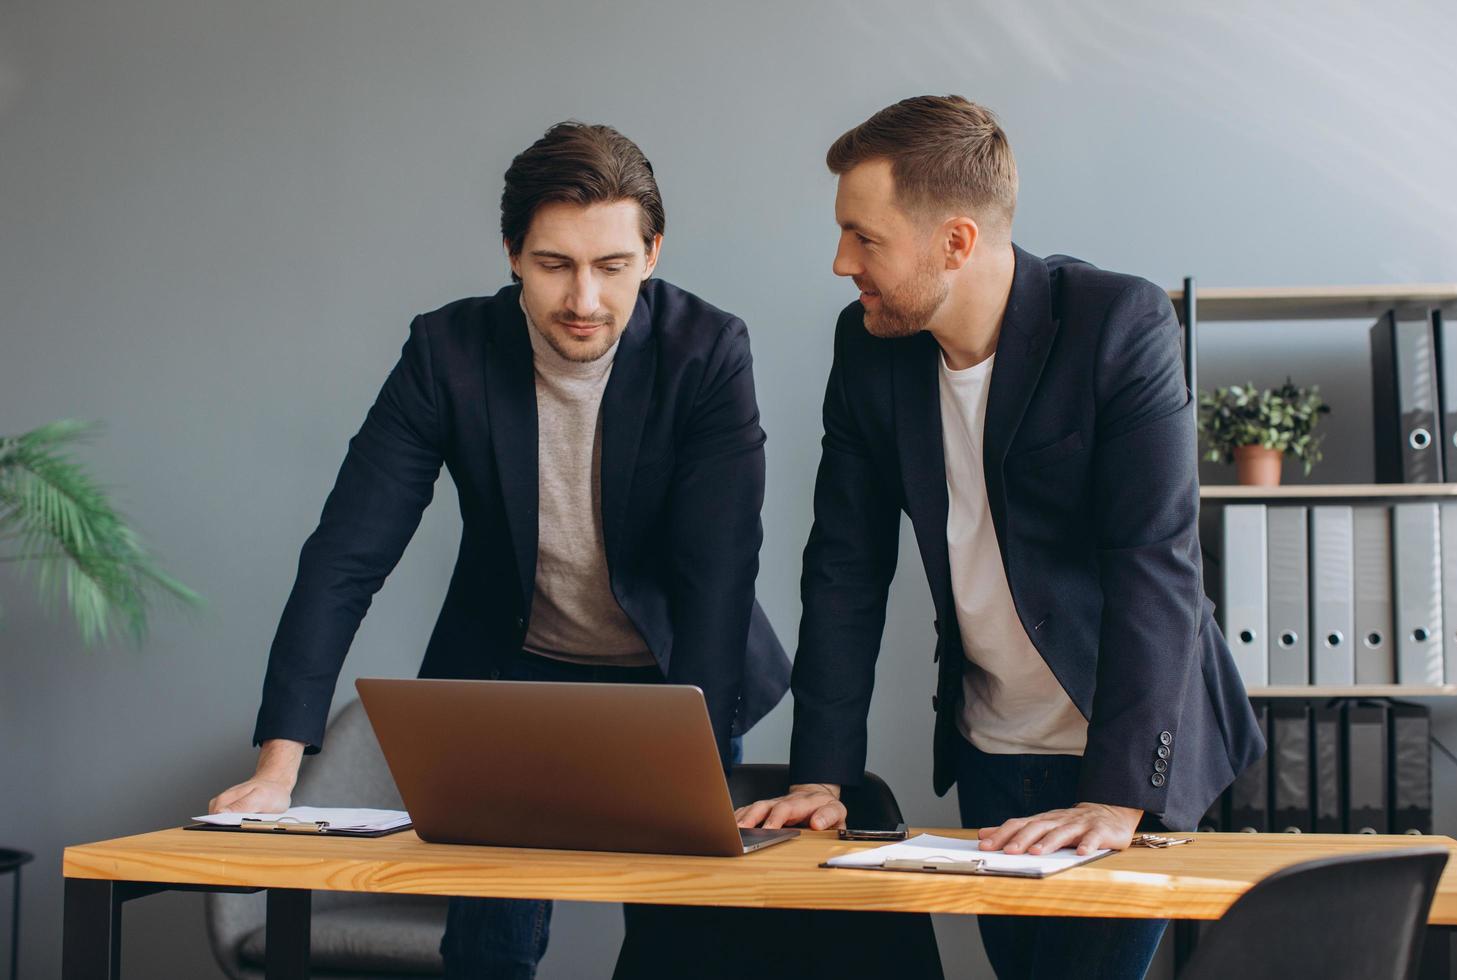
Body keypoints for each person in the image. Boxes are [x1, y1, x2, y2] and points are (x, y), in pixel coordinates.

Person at [207, 120, 790, 979]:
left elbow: (719, 573)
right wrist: (277, 770)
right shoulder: (447, 354)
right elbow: (345, 556)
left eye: (612, 266)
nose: (584, 299)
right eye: (555, 264)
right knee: (485, 948)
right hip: (514, 676)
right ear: (512, 252)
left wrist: (692, 761)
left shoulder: (707, 353)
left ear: (654, 252)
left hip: (678, 676)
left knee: (685, 946)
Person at [736, 95, 1264, 980]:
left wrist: (1115, 795)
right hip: (990, 749)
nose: (841, 263)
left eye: (865, 239)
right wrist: (820, 775)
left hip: (1121, 748)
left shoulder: (1116, 325)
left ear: (956, 241)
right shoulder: (869, 348)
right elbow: (844, 569)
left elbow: (1157, 566)